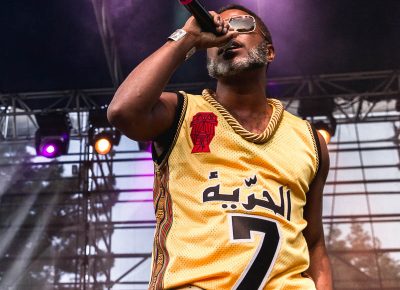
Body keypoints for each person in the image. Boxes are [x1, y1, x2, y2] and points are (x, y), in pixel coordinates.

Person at [107, 3, 333, 290]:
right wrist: (186, 37)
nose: (228, 35)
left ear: (270, 51)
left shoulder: (308, 139)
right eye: (218, 30)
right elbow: (123, 112)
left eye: (241, 25)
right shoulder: (181, 112)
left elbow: (314, 244)